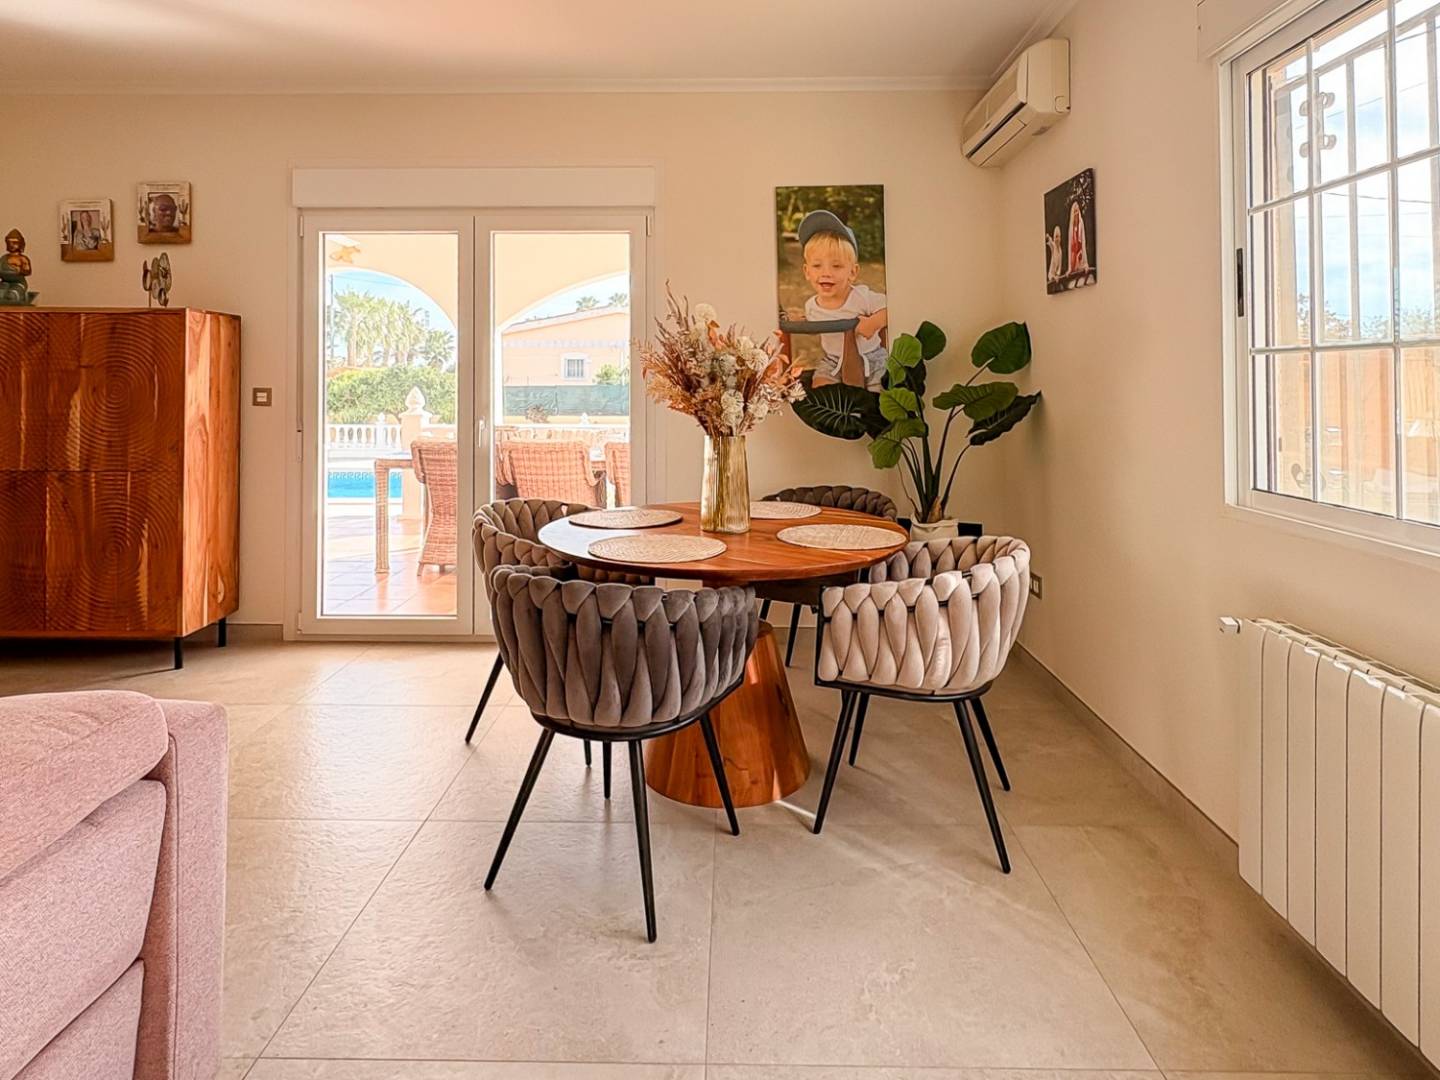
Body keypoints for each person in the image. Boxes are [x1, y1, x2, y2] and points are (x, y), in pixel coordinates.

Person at [788, 209, 888, 389]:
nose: (826, 273)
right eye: (817, 266)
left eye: (836, 266)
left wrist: (873, 323)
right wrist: (802, 321)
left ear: (853, 272)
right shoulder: (811, 305)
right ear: (807, 272)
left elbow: (891, 308)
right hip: (833, 360)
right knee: (820, 386)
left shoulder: (862, 297)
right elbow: (814, 325)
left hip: (871, 359)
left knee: (878, 392)